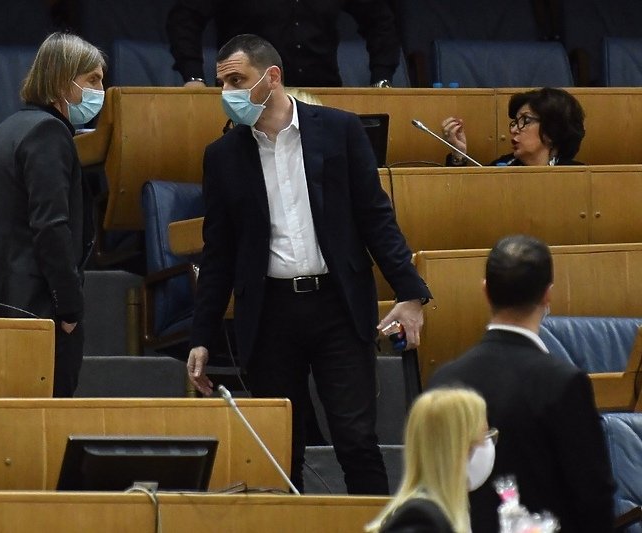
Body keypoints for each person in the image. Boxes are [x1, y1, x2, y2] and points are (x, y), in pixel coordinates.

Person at [188, 34, 432, 494]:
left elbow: (375, 217)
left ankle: (375, 523)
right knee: (281, 450)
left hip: (337, 305)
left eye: (236, 81)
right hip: (270, 312)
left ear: (272, 77)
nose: (227, 94)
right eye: (221, 84)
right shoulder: (222, 156)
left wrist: (410, 292)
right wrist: (201, 336)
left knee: (356, 440)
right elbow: (218, 252)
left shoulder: (340, 130)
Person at [427, 235, 615, 533]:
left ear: (486, 291)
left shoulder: (444, 380)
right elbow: (593, 496)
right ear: (547, 295)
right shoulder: (564, 383)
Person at [0, 32, 103, 397]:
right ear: (62, 81)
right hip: (33, 312)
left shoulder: (6, 129)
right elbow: (51, 227)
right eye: (93, 80)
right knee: (45, 422)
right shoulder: (48, 133)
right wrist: (69, 309)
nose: (100, 91)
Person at [166, 0, 401, 87]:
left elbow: (379, 20)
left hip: (319, 96)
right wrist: (193, 77)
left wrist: (381, 78)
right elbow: (185, 18)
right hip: (249, 97)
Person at [365, 388, 494, 533]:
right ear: (456, 448)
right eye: (482, 437)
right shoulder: (420, 518)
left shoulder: (450, 509)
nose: (487, 446)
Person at [441, 87, 585, 166]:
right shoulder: (501, 168)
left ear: (552, 131)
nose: (513, 130)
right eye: (515, 122)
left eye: (526, 121)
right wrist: (459, 155)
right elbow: (462, 199)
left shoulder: (578, 176)